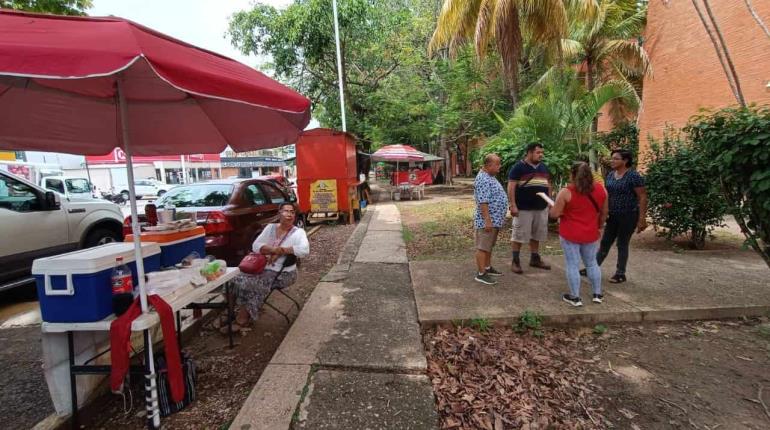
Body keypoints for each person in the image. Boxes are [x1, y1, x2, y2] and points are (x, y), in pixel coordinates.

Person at [232, 202, 309, 330]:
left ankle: (242, 318)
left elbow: (304, 250)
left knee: (251, 283)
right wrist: (273, 250)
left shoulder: (298, 232)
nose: (289, 214)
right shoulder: (270, 228)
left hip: (283, 273)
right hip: (260, 268)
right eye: (286, 211)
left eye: (292, 212)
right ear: (279, 213)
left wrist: (282, 250)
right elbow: (255, 246)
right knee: (232, 281)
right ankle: (231, 314)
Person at [550, 162, 608, 307]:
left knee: (572, 264)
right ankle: (597, 294)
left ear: (573, 174)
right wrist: (599, 225)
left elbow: (554, 214)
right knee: (592, 263)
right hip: (590, 233)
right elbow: (604, 212)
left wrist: (557, 208)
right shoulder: (601, 190)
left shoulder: (566, 192)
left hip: (570, 233)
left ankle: (575, 297)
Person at [588, 149, 648, 283]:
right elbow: (606, 195)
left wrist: (642, 218)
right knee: (605, 242)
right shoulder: (610, 175)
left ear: (625, 161)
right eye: (612, 158)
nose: (612, 161)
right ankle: (593, 268)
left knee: (622, 243)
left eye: (616, 158)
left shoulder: (633, 176)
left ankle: (620, 273)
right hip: (613, 215)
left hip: (628, 215)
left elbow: (642, 196)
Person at [508, 143, 552, 274]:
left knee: (537, 234)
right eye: (538, 152)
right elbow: (511, 187)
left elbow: (549, 184)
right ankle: (515, 261)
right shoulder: (518, 167)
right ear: (529, 152)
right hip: (523, 208)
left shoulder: (544, 167)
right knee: (519, 235)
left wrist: (549, 202)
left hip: (541, 207)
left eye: (541, 152)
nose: (541, 155)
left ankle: (535, 258)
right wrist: (513, 205)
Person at [473, 153, 508, 285]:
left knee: (488, 246)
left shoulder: (489, 176)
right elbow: (483, 201)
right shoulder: (483, 179)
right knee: (482, 247)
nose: (500, 166)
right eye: (497, 164)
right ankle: (481, 273)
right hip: (487, 220)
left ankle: (487, 267)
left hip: (494, 219)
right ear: (488, 165)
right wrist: (487, 220)